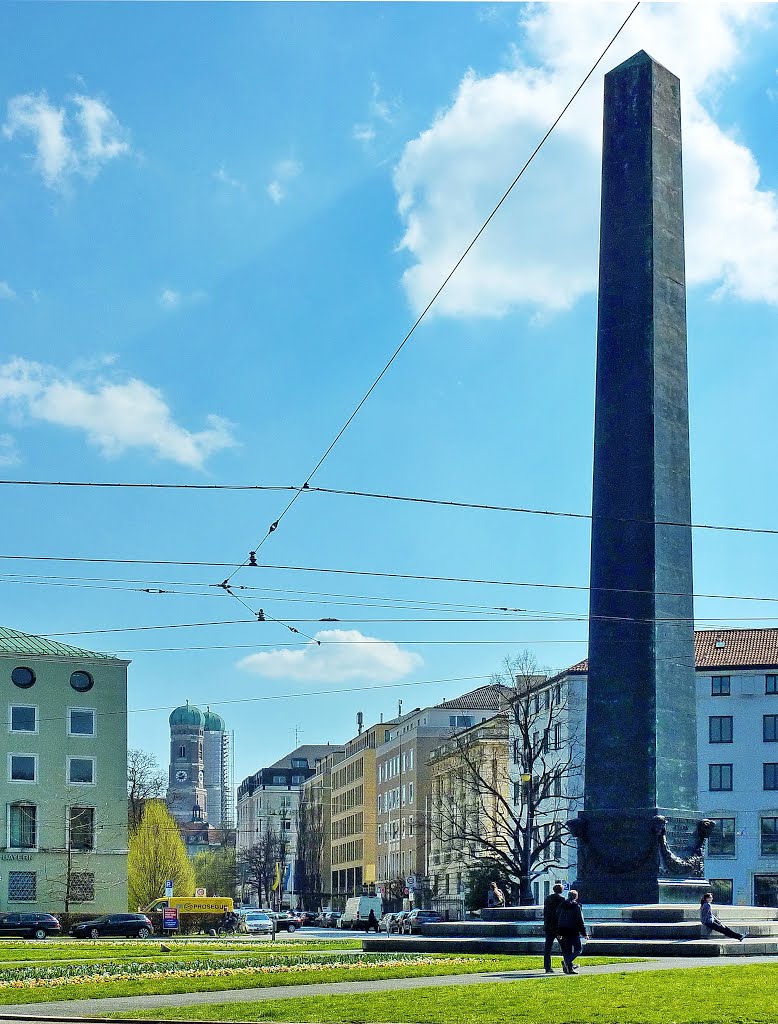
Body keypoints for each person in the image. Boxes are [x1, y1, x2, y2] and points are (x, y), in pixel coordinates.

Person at [556, 889, 588, 974]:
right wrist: (584, 933)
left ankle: (569, 969)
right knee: (578, 949)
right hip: (573, 931)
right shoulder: (576, 907)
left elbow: (559, 919)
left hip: (563, 930)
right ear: (576, 897)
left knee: (568, 950)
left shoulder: (562, 906)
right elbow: (580, 921)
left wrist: (559, 932)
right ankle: (567, 962)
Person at [542, 882, 567, 973]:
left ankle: (547, 967)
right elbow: (562, 914)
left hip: (548, 926)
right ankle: (567, 964)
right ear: (561, 890)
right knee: (564, 947)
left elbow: (545, 912)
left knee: (548, 948)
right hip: (558, 927)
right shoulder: (562, 899)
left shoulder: (548, 898)